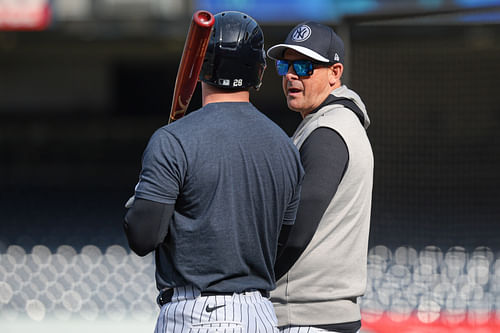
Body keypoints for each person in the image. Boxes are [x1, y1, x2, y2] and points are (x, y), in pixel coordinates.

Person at [123, 11, 304, 333]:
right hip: (261, 314)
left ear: (199, 69)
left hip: (198, 312)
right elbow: (285, 242)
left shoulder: (173, 140)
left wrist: (142, 191)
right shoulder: (286, 146)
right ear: (259, 71)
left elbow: (142, 237)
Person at [266, 21, 374, 333]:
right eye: (286, 65)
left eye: (304, 66)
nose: (291, 75)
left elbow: (297, 228)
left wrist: (254, 274)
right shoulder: (329, 123)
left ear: (335, 73)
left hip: (307, 315)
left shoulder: (328, 130)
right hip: (322, 315)